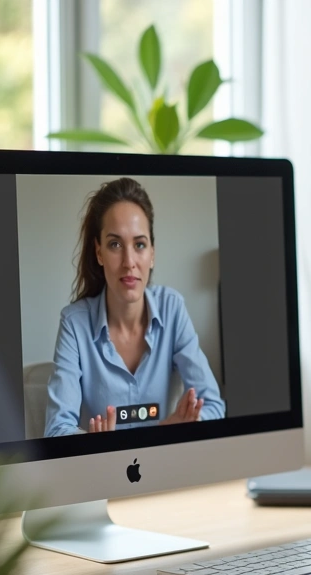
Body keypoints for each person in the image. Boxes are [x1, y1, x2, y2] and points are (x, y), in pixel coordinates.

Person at [44, 177, 226, 437]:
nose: (129, 261)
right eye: (115, 244)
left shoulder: (172, 309)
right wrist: (95, 446)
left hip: (166, 470)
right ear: (99, 253)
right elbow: (56, 430)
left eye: (139, 245)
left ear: (152, 253)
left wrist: (177, 428)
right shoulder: (74, 324)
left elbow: (214, 406)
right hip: (101, 473)